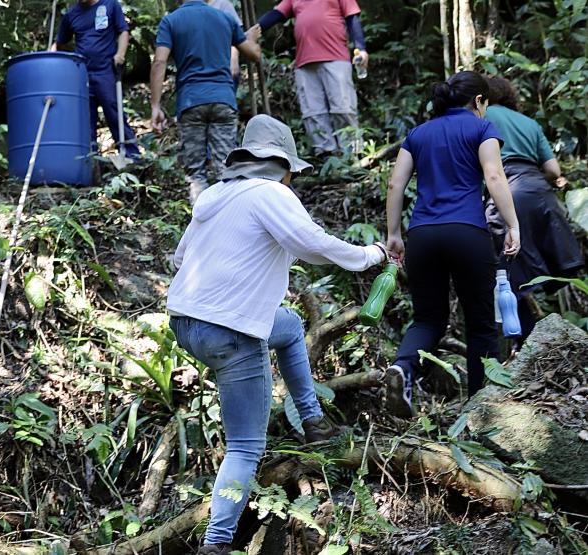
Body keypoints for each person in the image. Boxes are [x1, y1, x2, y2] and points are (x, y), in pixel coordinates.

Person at [167, 115, 389, 554]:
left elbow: (179, 259)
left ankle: (312, 419)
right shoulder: (272, 193)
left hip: (185, 320)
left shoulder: (216, 194)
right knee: (246, 447)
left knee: (287, 326)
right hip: (229, 331)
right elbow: (314, 243)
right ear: (283, 166)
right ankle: (216, 544)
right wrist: (370, 255)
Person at [383, 71, 521, 418]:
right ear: (478, 101)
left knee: (428, 319)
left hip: (423, 236)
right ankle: (482, 413)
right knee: (481, 324)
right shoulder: (482, 129)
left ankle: (403, 368)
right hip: (466, 233)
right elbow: (493, 175)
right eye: (486, 104)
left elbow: (395, 185)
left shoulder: (418, 134)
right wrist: (513, 224)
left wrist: (394, 233)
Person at [483, 76, 584, 341]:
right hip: (540, 193)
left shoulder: (480, 115)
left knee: (507, 274)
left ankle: (521, 343)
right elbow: (553, 170)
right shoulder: (529, 123)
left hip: (506, 192)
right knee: (554, 270)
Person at [150, 0, 262, 204]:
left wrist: (155, 106)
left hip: (191, 101)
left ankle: (201, 220)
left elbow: (159, 61)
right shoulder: (225, 18)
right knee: (226, 167)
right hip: (223, 99)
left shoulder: (171, 21)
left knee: (196, 173)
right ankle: (230, 217)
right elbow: (254, 54)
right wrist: (251, 38)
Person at [255, 0, 368, 157]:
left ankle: (355, 154)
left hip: (335, 57)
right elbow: (275, 15)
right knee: (313, 112)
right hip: (305, 63)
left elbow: (352, 17)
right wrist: (247, 32)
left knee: (343, 107)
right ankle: (325, 155)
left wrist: (361, 48)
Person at [50, 0, 141, 162]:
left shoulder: (110, 5)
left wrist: (120, 54)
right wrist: (52, 63)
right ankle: (90, 161)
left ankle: (131, 156)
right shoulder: (72, 14)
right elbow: (59, 43)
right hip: (82, 74)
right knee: (86, 118)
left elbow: (123, 31)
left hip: (105, 70)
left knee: (114, 111)